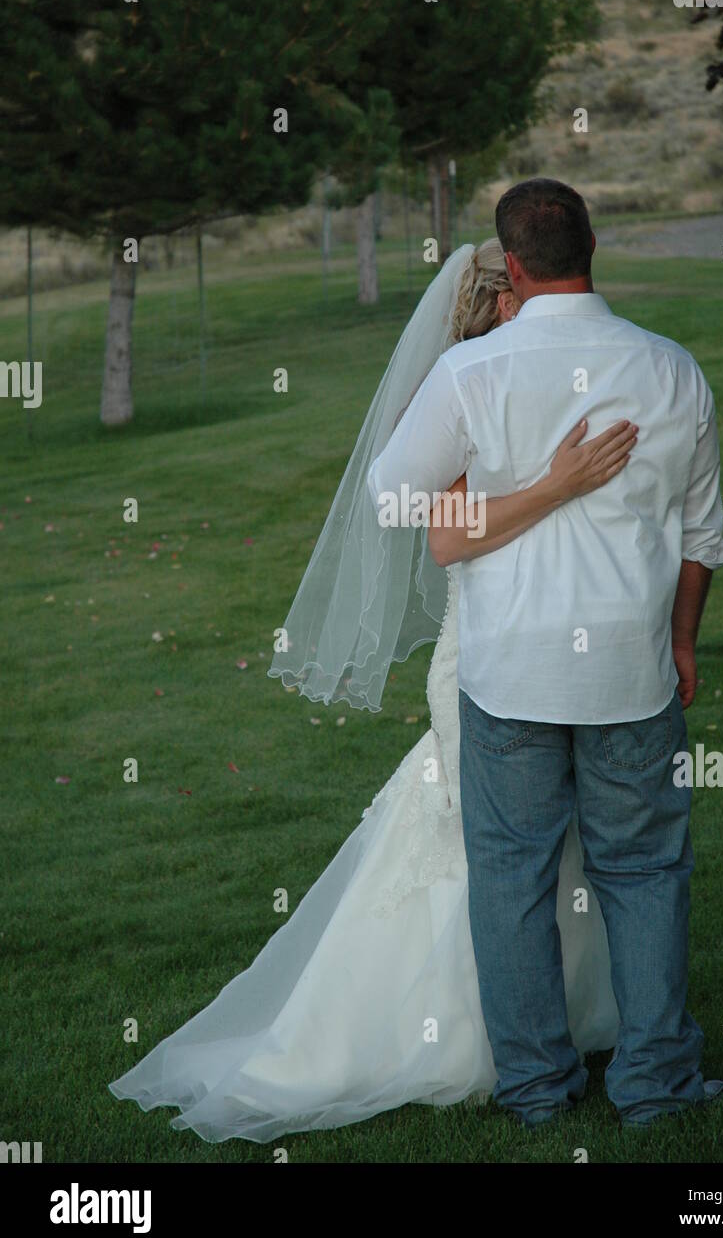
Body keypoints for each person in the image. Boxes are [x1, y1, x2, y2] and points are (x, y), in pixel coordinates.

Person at [107, 236, 633, 1143]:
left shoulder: (540, 367)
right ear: (504, 303)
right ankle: (469, 1042)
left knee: (547, 848)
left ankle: (567, 1026)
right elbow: (443, 533)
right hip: (484, 660)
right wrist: (557, 485)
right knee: (483, 851)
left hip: (553, 656)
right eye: (527, 295)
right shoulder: (467, 382)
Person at [368, 178, 723, 1129]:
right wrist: (684, 638)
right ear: (594, 249)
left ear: (515, 268)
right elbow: (704, 535)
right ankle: (654, 1084)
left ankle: (538, 1090)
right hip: (632, 668)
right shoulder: (671, 369)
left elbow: (396, 500)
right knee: (646, 869)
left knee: (513, 876)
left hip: (510, 674)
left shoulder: (471, 374)